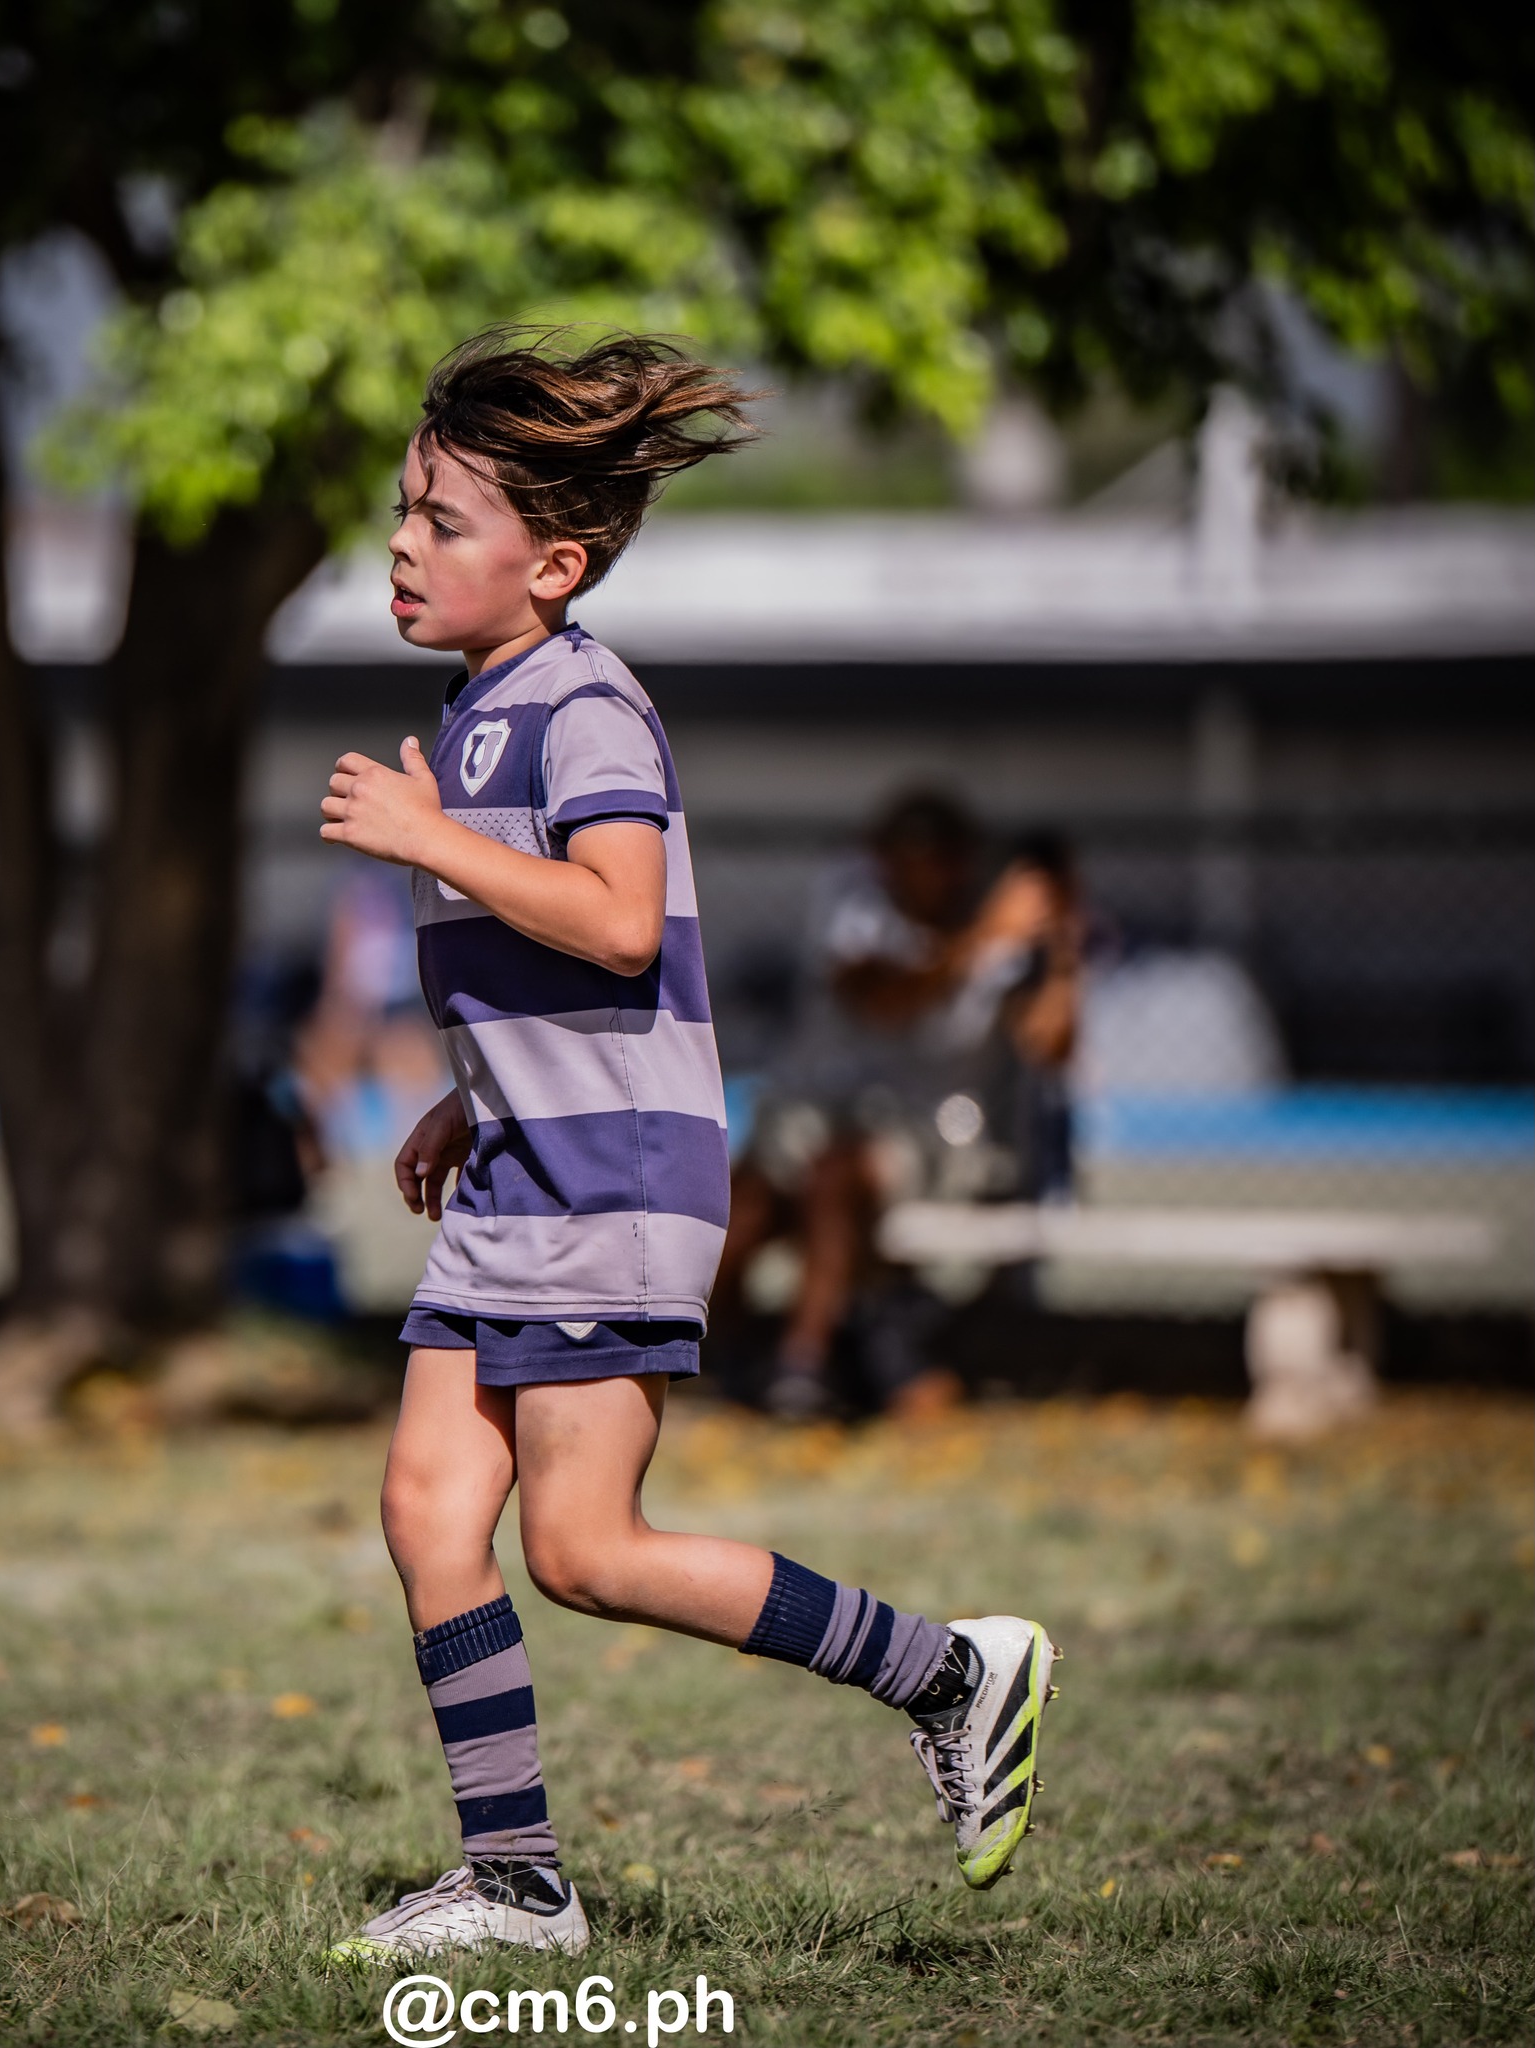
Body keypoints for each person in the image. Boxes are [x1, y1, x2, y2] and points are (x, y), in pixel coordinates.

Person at [315, 330, 1059, 1961]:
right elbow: (545, 970)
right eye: (403, 510)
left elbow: (619, 923)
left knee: (584, 1549)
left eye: (442, 519)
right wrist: (472, 1088)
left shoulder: (584, 702)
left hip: (608, 1189)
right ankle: (514, 1881)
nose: (402, 542)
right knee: (430, 1507)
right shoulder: (485, 700)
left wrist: (429, 836)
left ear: (553, 561)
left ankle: (948, 1668)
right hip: (523, 1163)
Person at [714, 794, 1083, 1417]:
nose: (922, 871)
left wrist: (1065, 949)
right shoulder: (862, 906)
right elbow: (881, 994)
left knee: (836, 1174)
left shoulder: (1007, 943)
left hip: (943, 1135)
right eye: (907, 855)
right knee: (746, 1201)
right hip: (822, 1116)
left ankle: (802, 1361)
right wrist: (986, 937)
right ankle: (722, 1352)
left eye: (940, 856)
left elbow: (1053, 1045)